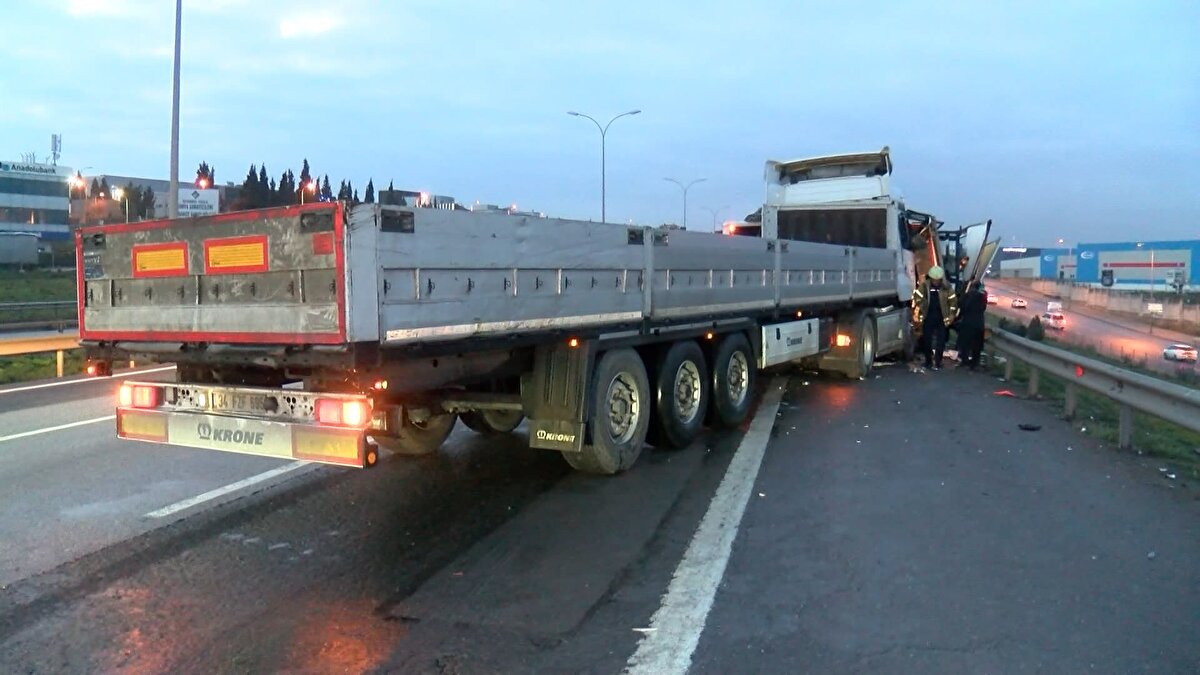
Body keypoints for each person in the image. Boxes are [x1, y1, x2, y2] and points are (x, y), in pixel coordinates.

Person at [911, 265, 957, 370]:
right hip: (928, 317)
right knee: (927, 340)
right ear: (931, 278)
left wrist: (951, 314)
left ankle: (938, 362)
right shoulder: (924, 286)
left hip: (942, 318)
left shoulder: (947, 287)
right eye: (934, 279)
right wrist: (922, 305)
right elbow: (917, 297)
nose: (936, 282)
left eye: (937, 280)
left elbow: (953, 302)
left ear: (941, 279)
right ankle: (928, 362)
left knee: (941, 342)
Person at [955, 279, 987, 370]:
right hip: (979, 324)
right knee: (977, 345)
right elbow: (983, 308)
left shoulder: (968, 295)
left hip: (968, 323)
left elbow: (961, 305)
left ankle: (964, 361)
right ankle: (974, 364)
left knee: (965, 343)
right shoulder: (982, 296)